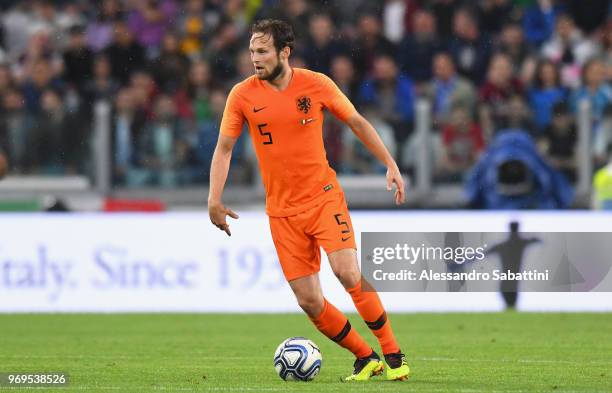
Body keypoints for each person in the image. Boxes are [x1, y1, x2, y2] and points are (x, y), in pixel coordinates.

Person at [208, 19, 409, 382]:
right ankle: (366, 358)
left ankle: (394, 353)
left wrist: (390, 163)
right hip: (282, 213)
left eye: (263, 51)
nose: (255, 58)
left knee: (346, 271)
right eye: (252, 51)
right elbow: (224, 149)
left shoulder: (315, 84)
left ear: (285, 52)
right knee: (309, 301)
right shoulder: (242, 95)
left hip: (323, 198)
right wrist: (214, 199)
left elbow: (357, 123)